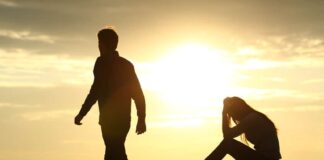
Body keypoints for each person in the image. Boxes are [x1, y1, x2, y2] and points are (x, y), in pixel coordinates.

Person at [74, 27, 146, 160]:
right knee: (113, 151)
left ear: (104, 44)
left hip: (120, 119)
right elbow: (95, 91)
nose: (98, 46)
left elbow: (137, 93)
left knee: (114, 149)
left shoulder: (123, 66)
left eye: (99, 43)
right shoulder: (103, 63)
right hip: (109, 119)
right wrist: (81, 113)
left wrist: (141, 118)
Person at [205, 97, 281, 160]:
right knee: (228, 143)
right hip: (262, 157)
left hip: (266, 158)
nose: (234, 117)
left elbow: (227, 136)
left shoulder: (253, 118)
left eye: (232, 114)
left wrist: (224, 112)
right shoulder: (252, 117)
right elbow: (227, 135)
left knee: (228, 144)